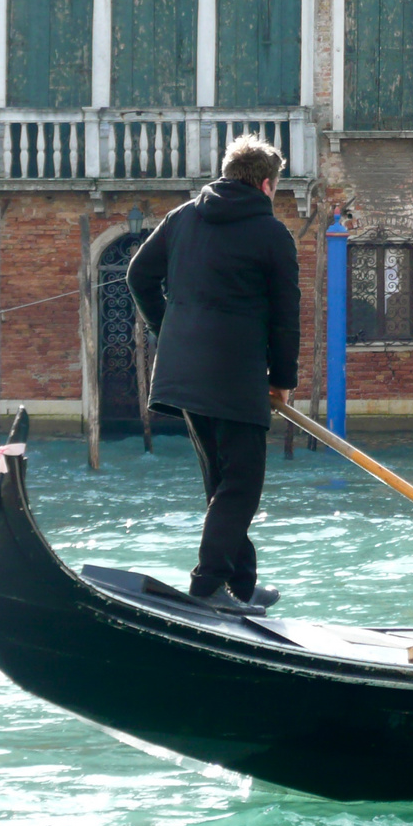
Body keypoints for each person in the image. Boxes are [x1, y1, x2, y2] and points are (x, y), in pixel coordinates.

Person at [126, 134, 300, 616]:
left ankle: (240, 587)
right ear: (267, 183)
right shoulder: (272, 234)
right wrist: (282, 379)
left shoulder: (183, 217)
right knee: (241, 484)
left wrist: (170, 330)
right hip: (236, 373)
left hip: (182, 372)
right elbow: (287, 316)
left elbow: (137, 276)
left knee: (223, 479)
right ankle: (208, 586)